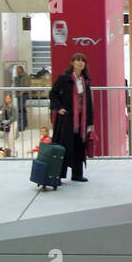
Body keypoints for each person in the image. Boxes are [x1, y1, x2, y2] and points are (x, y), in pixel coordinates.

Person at [48, 53, 93, 182]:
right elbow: (53, 94)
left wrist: (90, 121)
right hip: (67, 119)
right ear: (72, 62)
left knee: (79, 145)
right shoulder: (64, 78)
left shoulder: (86, 80)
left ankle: (77, 174)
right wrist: (59, 107)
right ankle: (58, 175)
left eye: (83, 61)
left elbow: (88, 102)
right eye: (78, 60)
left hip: (81, 119)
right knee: (64, 146)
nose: (80, 63)